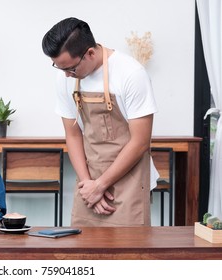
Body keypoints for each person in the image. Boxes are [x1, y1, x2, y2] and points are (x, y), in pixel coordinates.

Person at [42, 17, 158, 227]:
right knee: (82, 252)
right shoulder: (65, 77)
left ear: (90, 53)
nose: (67, 75)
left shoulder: (131, 74)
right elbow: (73, 133)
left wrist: (101, 185)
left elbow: (140, 142)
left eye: (71, 69)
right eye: (59, 68)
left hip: (129, 181)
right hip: (89, 180)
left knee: (128, 254)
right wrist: (89, 185)